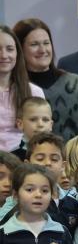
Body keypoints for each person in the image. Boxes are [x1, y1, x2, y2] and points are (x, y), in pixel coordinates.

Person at [12, 18, 78, 142]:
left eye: (46, 43)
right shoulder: (14, 88)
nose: (42, 50)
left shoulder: (76, 84)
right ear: (20, 49)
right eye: (34, 44)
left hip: (75, 159)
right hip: (27, 159)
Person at [0, 24, 43, 152]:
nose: (4, 55)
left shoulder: (34, 92)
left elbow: (41, 135)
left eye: (10, 49)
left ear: (17, 53)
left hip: (23, 160)